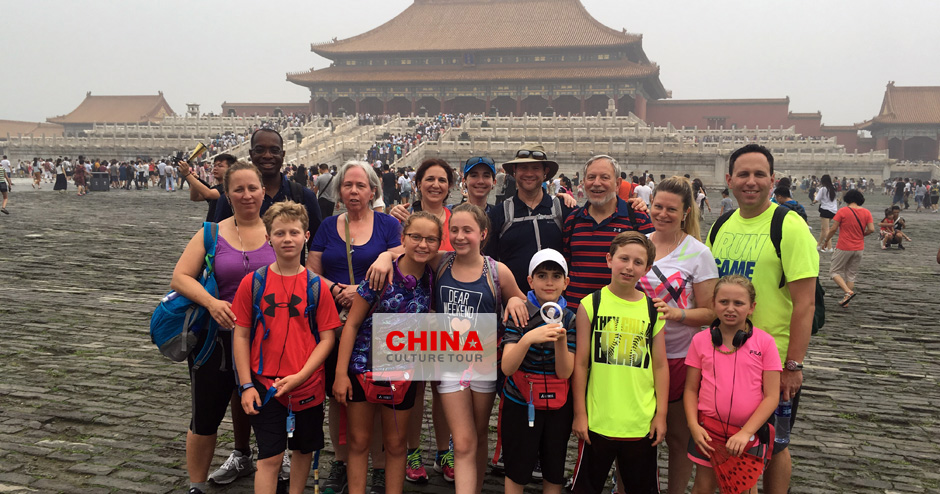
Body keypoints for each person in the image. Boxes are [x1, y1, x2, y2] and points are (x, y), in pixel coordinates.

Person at [706, 144, 818, 494]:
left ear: (772, 180)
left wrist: (793, 364)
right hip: (724, 354)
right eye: (743, 174)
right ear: (729, 180)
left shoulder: (789, 225)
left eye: (759, 175)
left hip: (771, 360)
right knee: (728, 437)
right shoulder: (721, 225)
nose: (750, 182)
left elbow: (805, 304)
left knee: (776, 443)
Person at [170, 162, 277, 494]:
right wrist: (211, 303)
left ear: (264, 191)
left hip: (266, 340)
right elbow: (180, 277)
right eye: (238, 189)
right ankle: (197, 485)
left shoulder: (279, 232)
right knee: (205, 415)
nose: (247, 196)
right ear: (227, 195)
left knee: (267, 409)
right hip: (215, 339)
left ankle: (270, 466)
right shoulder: (211, 232)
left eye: (252, 188)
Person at [308, 160, 403, 494]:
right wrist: (337, 290)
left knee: (376, 397)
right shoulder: (328, 226)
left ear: (373, 190)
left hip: (378, 323)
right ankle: (342, 459)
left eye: (360, 185)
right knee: (340, 395)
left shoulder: (388, 225)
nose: (353, 191)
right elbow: (312, 271)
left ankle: (377, 465)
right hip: (335, 323)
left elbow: (404, 252)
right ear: (339, 190)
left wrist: (386, 258)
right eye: (347, 185)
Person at [232, 201, 340, 494]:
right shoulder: (252, 283)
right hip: (264, 385)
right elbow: (241, 336)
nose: (287, 239)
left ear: (306, 236)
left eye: (294, 232)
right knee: (270, 456)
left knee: (303, 451)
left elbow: (327, 338)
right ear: (268, 238)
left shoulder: (317, 286)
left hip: (306, 386)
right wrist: (245, 385)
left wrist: (302, 375)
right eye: (280, 233)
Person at [332, 211, 442, 494]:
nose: (422, 244)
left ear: (438, 244)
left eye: (430, 239)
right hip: (362, 367)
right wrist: (341, 374)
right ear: (403, 239)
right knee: (359, 441)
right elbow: (352, 324)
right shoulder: (381, 275)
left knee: (395, 443)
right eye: (415, 237)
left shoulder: (433, 278)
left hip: (402, 372)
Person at [434, 203, 527, 494]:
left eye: (468, 231)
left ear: (483, 233)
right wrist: (386, 258)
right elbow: (405, 254)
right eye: (455, 230)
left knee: (477, 433)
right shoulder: (439, 263)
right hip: (447, 362)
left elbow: (523, 302)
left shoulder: (498, 271)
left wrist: (514, 301)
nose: (460, 236)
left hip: (484, 363)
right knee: (462, 441)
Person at [638, 176, 718, 494]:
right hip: (636, 356)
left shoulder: (698, 253)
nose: (663, 214)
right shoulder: (639, 245)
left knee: (676, 436)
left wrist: (677, 314)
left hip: (678, 357)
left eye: (672, 209)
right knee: (639, 432)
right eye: (658, 206)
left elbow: (710, 312)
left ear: (685, 211)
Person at [571, 231, 667, 494]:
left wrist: (661, 415)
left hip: (640, 423)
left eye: (638, 262)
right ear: (609, 259)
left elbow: (660, 365)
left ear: (647, 268)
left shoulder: (652, 309)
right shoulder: (591, 305)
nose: (629, 267)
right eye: (623, 258)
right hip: (598, 420)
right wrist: (580, 413)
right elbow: (581, 364)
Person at [684, 275, 781, 494]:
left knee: (743, 489)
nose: (730, 308)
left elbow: (771, 396)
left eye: (739, 303)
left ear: (751, 307)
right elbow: (690, 389)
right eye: (724, 302)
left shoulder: (765, 343)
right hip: (708, 432)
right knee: (703, 487)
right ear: (713, 304)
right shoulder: (700, 341)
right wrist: (693, 425)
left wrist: (746, 432)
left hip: (746, 435)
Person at [500, 249, 576, 494]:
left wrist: (561, 339)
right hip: (520, 401)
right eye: (542, 275)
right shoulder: (519, 313)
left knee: (554, 467)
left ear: (566, 282)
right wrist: (528, 339)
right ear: (530, 281)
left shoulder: (571, 318)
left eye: (556, 276)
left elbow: (565, 373)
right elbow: (507, 367)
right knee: (516, 467)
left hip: (558, 404)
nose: (549, 282)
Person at [562, 155, 654, 310]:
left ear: (617, 183)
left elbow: (650, 270)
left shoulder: (637, 219)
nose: (596, 183)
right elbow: (565, 267)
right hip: (574, 318)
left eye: (604, 177)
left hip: (621, 317)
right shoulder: (572, 221)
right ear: (583, 182)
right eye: (591, 177)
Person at [214, 128, 322, 247]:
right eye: (260, 150)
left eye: (274, 150)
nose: (267, 155)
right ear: (251, 154)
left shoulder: (304, 196)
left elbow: (316, 248)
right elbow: (216, 243)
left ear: (283, 154)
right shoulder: (232, 199)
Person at [388, 158, 457, 250]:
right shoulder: (402, 219)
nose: (436, 185)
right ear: (419, 184)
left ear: (448, 186)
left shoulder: (456, 221)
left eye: (442, 180)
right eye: (430, 179)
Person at [822, 189, 875, 308]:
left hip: (844, 246)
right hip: (859, 247)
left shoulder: (843, 211)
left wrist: (826, 241)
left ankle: (848, 292)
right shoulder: (866, 212)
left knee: (834, 271)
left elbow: (833, 229)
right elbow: (871, 229)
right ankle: (847, 300)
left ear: (847, 199)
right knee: (851, 274)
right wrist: (862, 235)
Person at [180, 154, 236, 222]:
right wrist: (193, 179)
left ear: (231, 169)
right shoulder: (217, 187)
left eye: (220, 166)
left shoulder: (229, 187)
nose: (215, 168)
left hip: (222, 229)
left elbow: (208, 194)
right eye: (214, 165)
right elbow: (195, 197)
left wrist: (187, 175)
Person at [812, 174, 838, 252]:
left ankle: (829, 247)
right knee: (823, 229)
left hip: (825, 210)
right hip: (833, 210)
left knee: (826, 230)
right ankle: (818, 245)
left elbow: (816, 200)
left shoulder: (823, 189)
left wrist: (815, 195)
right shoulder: (833, 188)